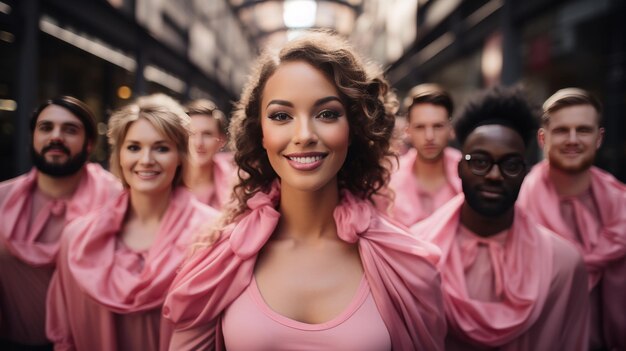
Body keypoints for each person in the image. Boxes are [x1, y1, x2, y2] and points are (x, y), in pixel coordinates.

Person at [162, 30, 446, 351]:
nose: (304, 134)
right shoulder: (218, 258)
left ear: (353, 128)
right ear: (262, 134)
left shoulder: (405, 263)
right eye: (281, 116)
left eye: (327, 114)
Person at [411, 87, 590, 350]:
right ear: (460, 167)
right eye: (480, 162)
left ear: (524, 173)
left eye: (510, 165)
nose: (495, 175)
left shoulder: (563, 265)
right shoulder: (416, 253)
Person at [46, 94, 219, 351]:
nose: (146, 159)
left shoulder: (212, 235)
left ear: (181, 156)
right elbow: (65, 335)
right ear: (119, 155)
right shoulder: (77, 237)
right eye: (134, 147)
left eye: (161, 148)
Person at [0, 96, 122, 349]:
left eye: (70, 130)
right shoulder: (2, 198)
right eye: (46, 128)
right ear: (33, 137)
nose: (56, 136)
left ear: (89, 144)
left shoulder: (117, 199)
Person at [517, 88, 626, 351]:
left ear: (599, 138)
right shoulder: (518, 210)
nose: (573, 139)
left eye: (584, 130)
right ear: (543, 138)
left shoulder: (621, 205)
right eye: (562, 130)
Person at [383, 83, 462, 227]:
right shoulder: (388, 178)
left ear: (450, 129)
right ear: (408, 131)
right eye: (420, 127)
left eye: (437, 126)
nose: (429, 136)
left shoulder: (467, 172)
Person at [183, 99, 236, 209]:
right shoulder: (167, 181)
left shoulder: (236, 184)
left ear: (222, 140)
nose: (198, 143)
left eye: (207, 134)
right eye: (191, 134)